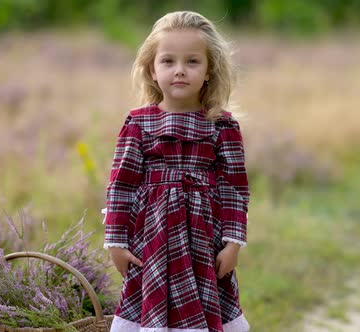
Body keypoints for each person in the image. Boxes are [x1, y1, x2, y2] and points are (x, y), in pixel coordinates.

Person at [102, 11, 251, 332]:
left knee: (202, 313)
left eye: (192, 62)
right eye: (168, 61)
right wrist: (116, 242)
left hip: (203, 243)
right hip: (151, 242)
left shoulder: (222, 125)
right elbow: (121, 187)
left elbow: (234, 189)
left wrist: (233, 243)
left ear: (210, 70)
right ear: (152, 71)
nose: (179, 71)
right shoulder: (138, 123)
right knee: (153, 314)